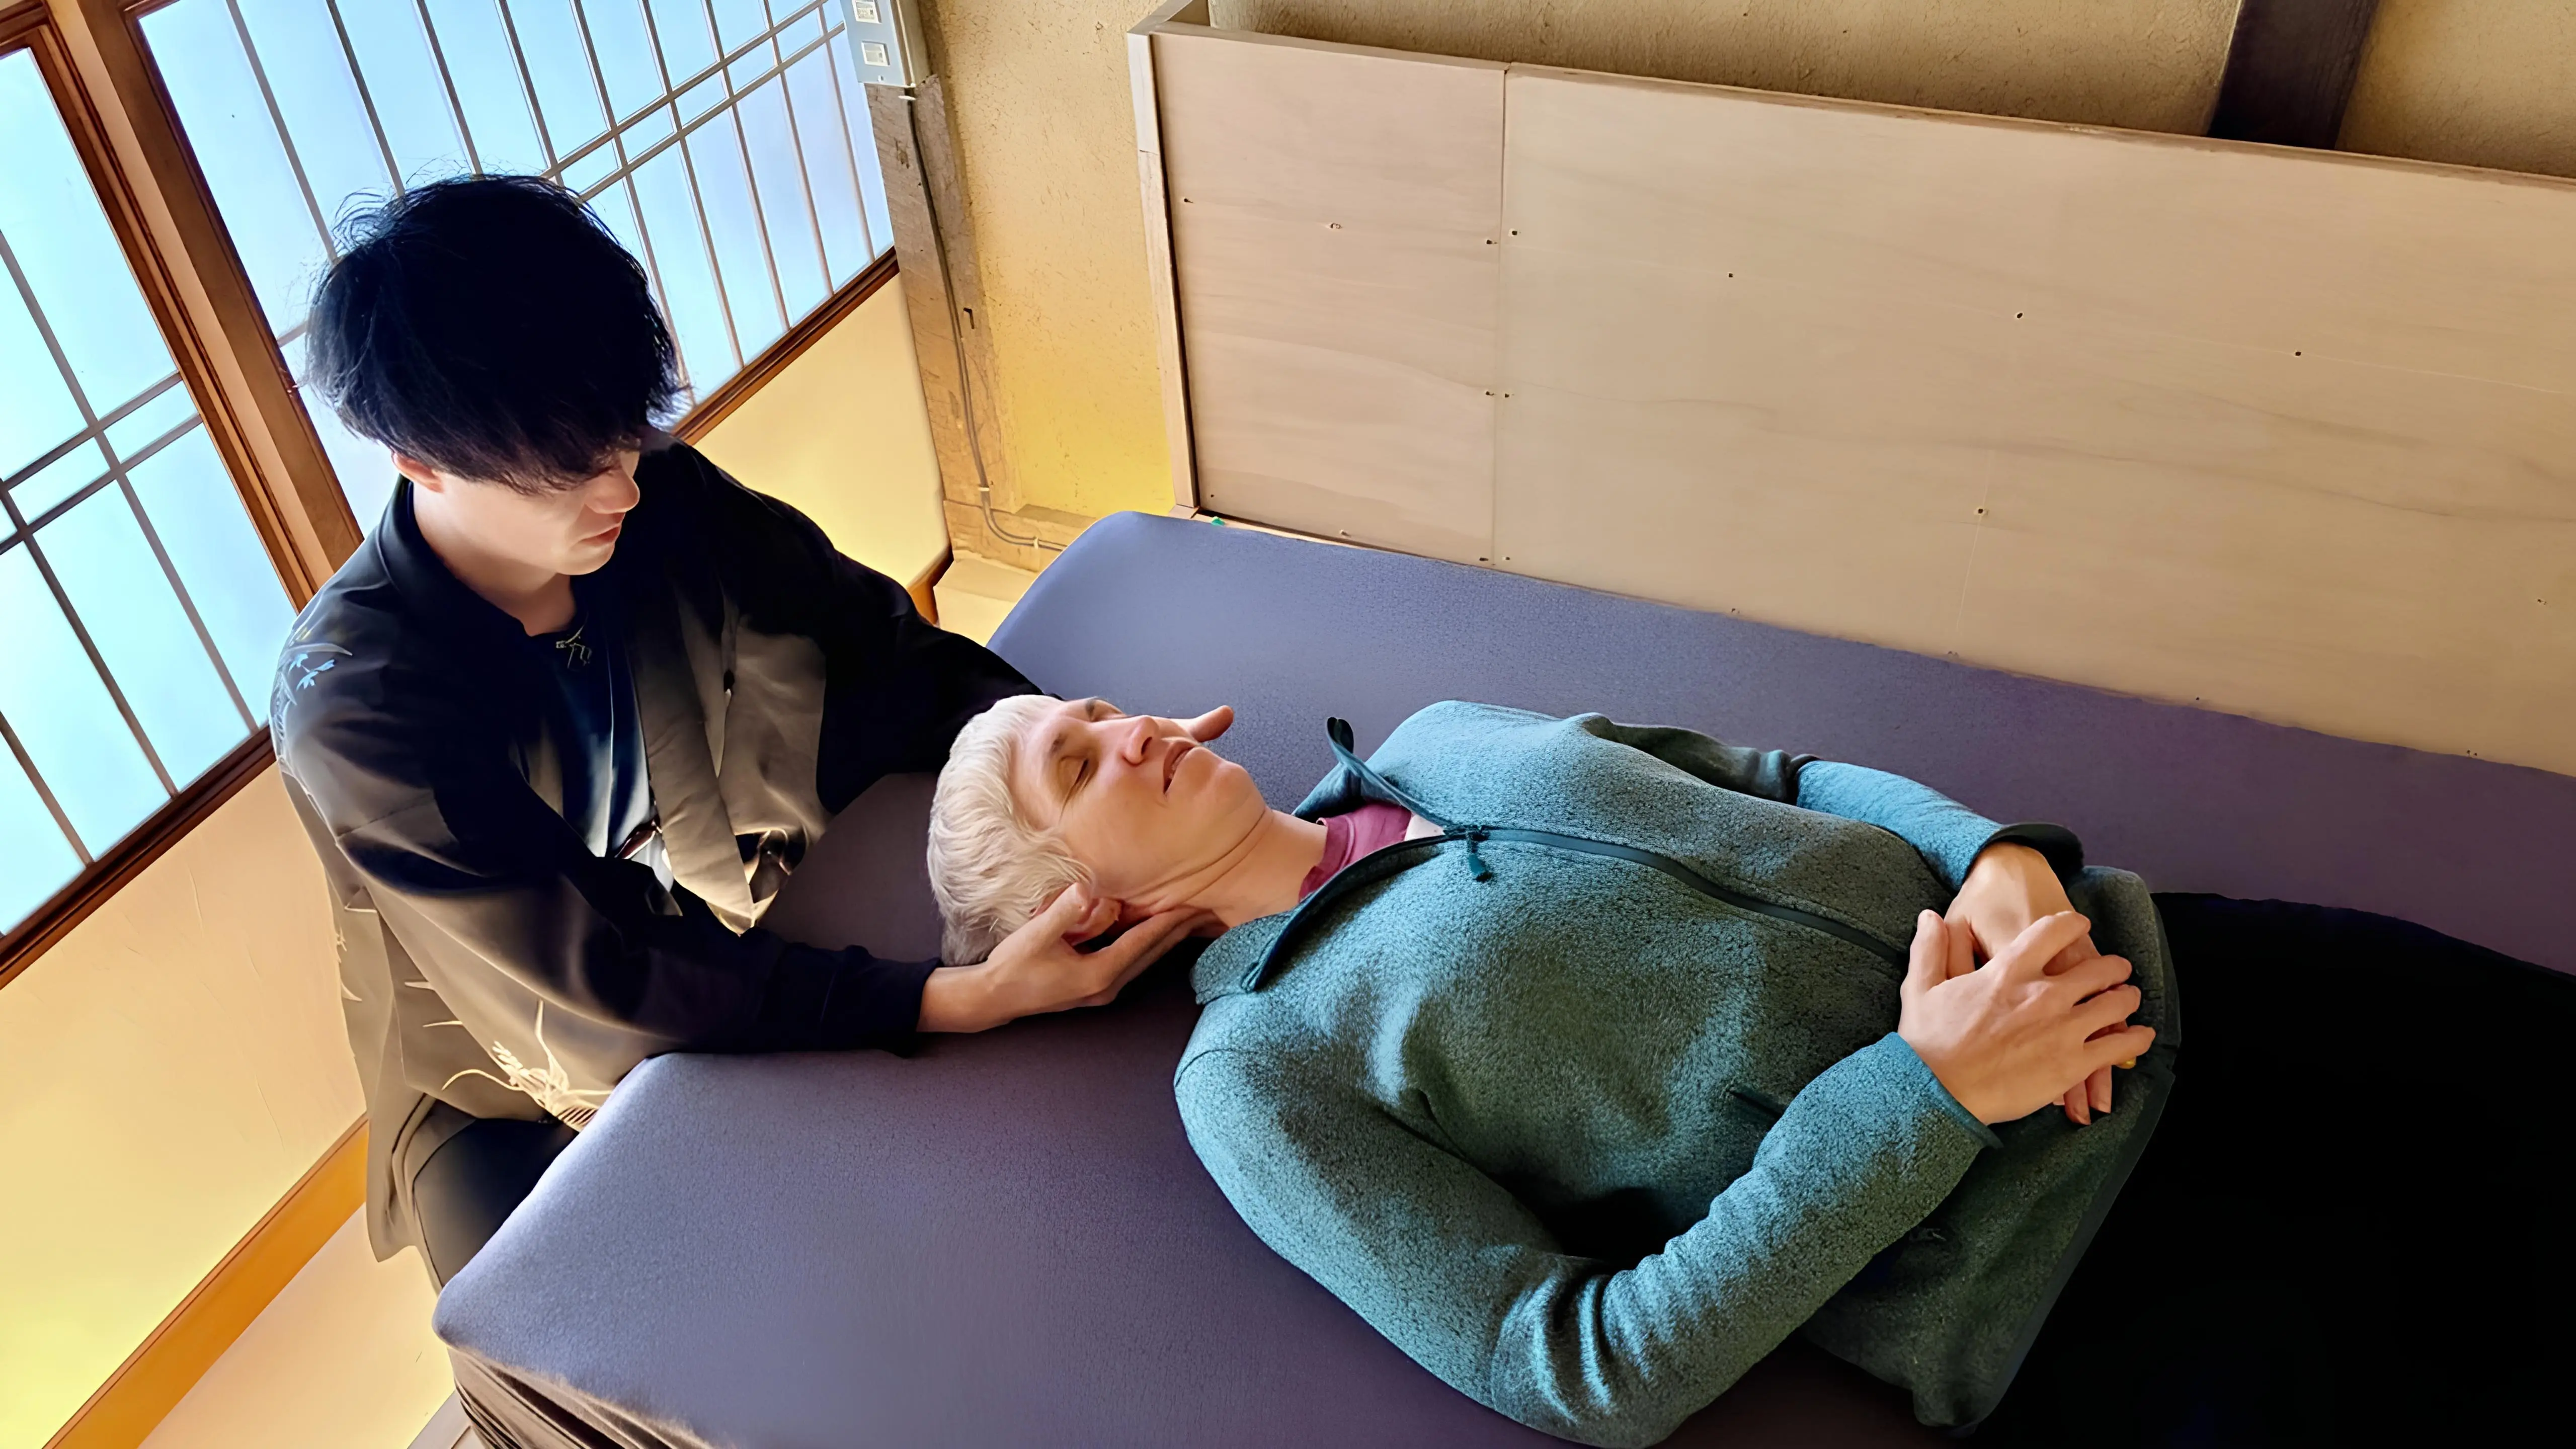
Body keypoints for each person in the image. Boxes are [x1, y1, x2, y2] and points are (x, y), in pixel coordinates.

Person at [927, 694, 2575, 1447]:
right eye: (1080, 762)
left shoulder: (1437, 736)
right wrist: (1926, 1094)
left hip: (2153, 966)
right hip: (2075, 1267)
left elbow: (1774, 771)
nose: (1130, 725)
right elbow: (1573, 1367)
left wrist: (1998, 856)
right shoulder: (1258, 1067)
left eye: (1091, 708)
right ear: (1096, 902)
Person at [272, 177, 1202, 1291]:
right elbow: (589, 979)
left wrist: (1071, 771)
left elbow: (878, 648)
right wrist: (952, 998)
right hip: (495, 1055)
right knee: (544, 1326)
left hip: (701, 898)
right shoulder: (355, 699)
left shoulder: (650, 490)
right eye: (568, 468)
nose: (618, 484)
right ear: (416, 461)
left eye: (624, 435)